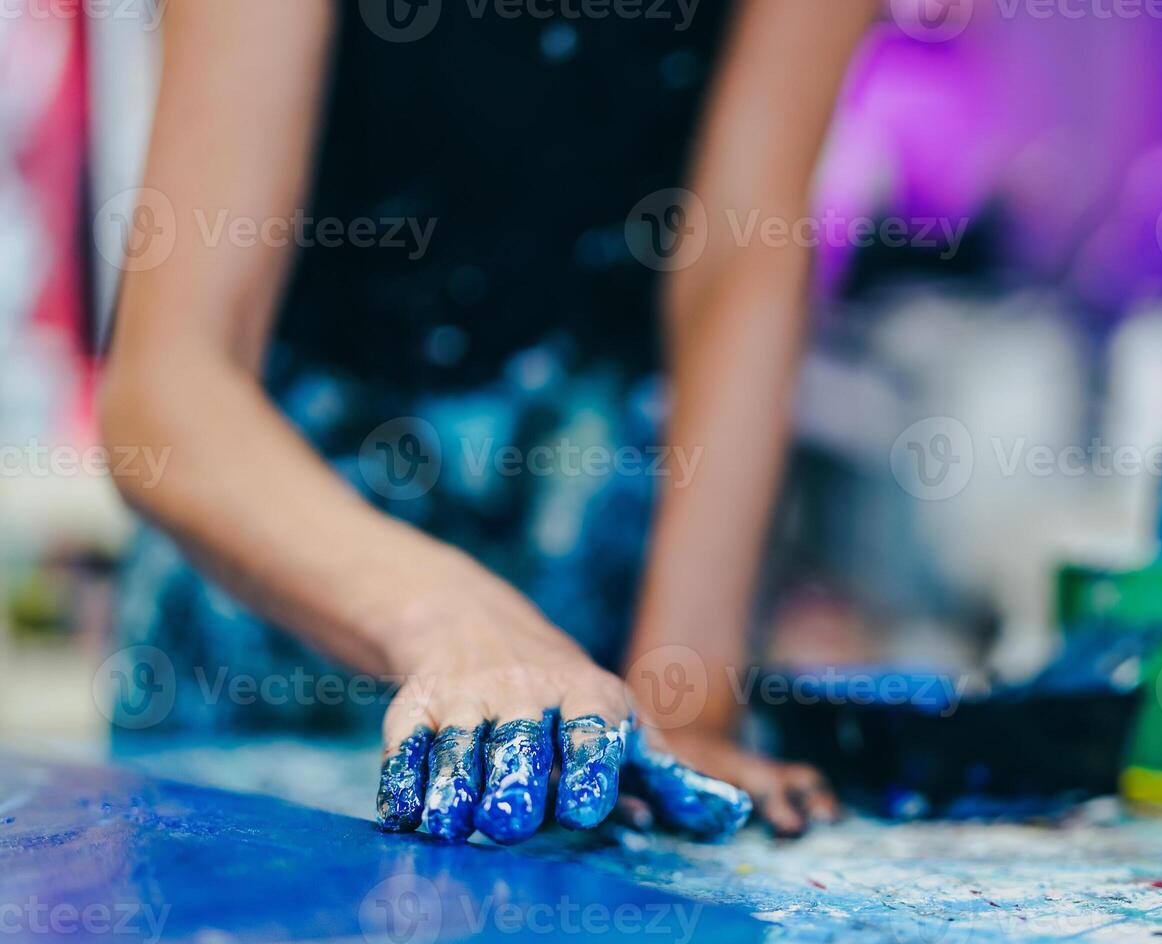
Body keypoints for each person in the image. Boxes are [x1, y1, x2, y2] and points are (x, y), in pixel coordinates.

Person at [98, 0, 877, 839]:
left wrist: (682, 696)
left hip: (594, 561)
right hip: (282, 554)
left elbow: (742, 252)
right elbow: (165, 392)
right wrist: (453, 623)